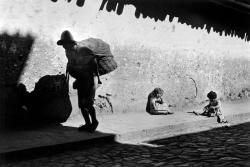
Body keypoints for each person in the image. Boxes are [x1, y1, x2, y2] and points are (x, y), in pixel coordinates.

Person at [57, 30, 100, 132]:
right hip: (81, 79)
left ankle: (94, 122)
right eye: (62, 44)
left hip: (90, 79)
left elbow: (93, 63)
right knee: (81, 104)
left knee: (88, 103)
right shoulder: (68, 52)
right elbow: (71, 63)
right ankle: (87, 123)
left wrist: (94, 79)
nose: (63, 46)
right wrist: (70, 67)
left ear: (70, 42)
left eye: (65, 43)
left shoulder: (82, 50)